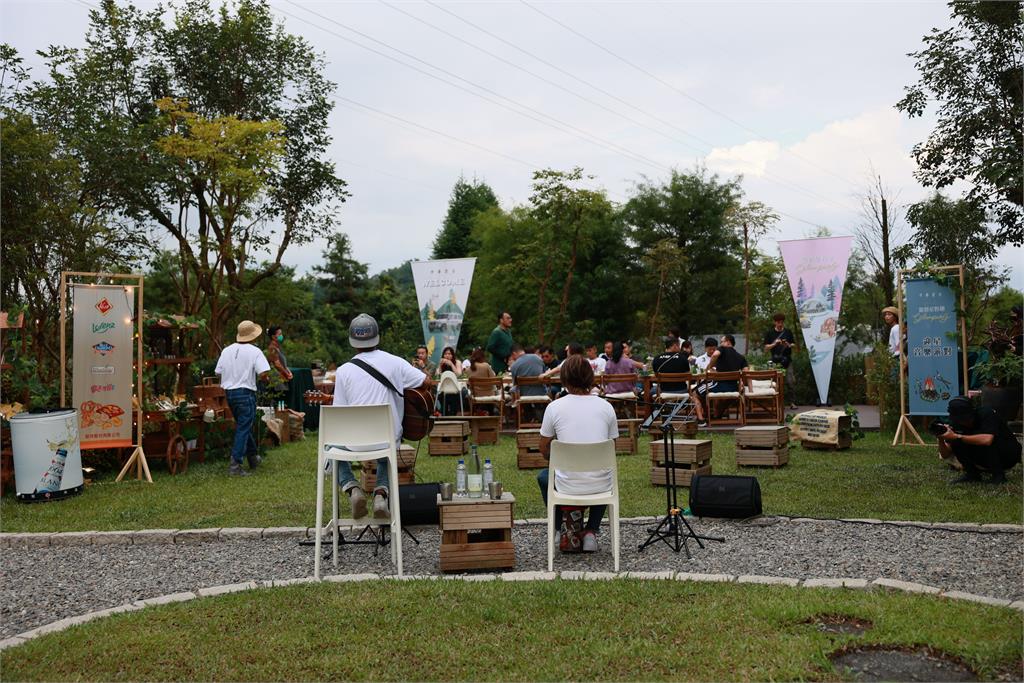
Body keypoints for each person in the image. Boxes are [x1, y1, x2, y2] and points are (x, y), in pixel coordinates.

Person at [333, 314, 434, 518]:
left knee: (330, 447)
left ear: (353, 342)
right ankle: (381, 494)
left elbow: (339, 412)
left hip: (354, 444)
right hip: (387, 439)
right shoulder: (395, 362)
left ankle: (352, 488)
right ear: (377, 337)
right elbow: (427, 382)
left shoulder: (343, 371)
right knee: (387, 450)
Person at [537, 354, 618, 553]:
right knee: (605, 470)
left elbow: (543, 448)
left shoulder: (554, 407)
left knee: (544, 477)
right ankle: (591, 532)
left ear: (563, 379)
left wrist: (559, 459)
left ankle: (558, 528)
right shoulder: (606, 407)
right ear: (590, 378)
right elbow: (612, 448)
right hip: (601, 485)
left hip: (566, 485)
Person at [215, 320, 272, 477]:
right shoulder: (255, 351)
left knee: (243, 425)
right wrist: (265, 381)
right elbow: (263, 373)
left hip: (230, 393)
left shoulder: (226, 350)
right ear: (253, 335)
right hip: (245, 392)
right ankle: (235, 465)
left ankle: (253, 457)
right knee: (243, 427)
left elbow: (218, 372)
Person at [937, 396, 1022, 484]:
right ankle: (972, 475)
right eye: (961, 420)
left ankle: (999, 476)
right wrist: (941, 438)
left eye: (966, 418)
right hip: (983, 459)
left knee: (985, 441)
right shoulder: (955, 423)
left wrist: (958, 436)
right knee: (956, 442)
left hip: (1008, 455)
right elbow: (945, 454)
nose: (965, 422)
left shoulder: (987, 413)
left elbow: (987, 440)